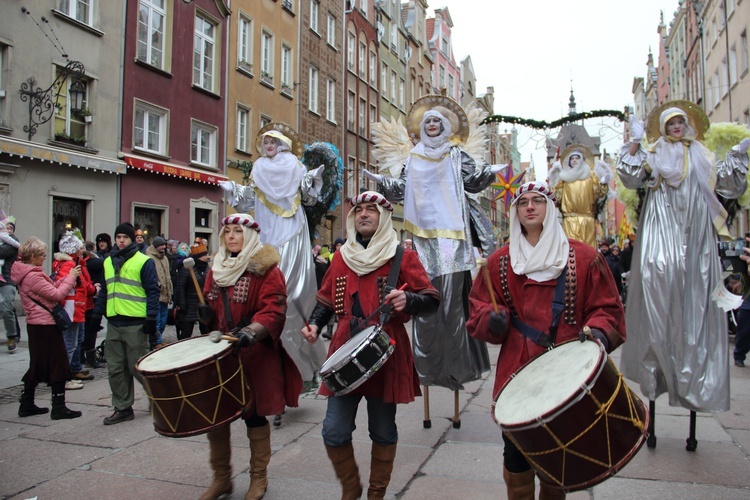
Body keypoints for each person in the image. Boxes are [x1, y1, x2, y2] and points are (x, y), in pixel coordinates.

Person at [466, 181, 626, 499]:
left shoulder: (584, 257)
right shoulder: (499, 262)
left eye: (537, 201)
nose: (529, 206)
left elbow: (607, 308)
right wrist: (491, 321)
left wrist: (597, 335)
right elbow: (478, 314)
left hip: (566, 372)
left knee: (558, 457)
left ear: (550, 209)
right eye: (522, 202)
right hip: (518, 371)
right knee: (516, 456)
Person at [618, 103, 749, 449]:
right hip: (660, 237)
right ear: (662, 127)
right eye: (671, 122)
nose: (677, 127)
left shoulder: (703, 155)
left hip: (696, 240)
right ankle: (653, 383)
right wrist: (633, 143)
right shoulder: (655, 154)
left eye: (681, 121)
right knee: (656, 305)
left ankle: (692, 385)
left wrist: (737, 156)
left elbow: (730, 188)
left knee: (694, 313)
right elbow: (630, 177)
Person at [365, 96, 502, 416]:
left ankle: (456, 370)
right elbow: (399, 189)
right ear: (421, 128)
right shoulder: (412, 158)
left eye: (437, 122)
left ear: (445, 127)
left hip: (452, 239)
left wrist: (488, 172)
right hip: (422, 239)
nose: (431, 124)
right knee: (424, 306)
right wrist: (380, 182)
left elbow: (474, 178)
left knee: (453, 307)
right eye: (427, 121)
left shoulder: (456, 154)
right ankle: (426, 370)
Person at [301, 192, 439, 499]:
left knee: (382, 430)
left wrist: (410, 300)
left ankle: (376, 494)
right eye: (359, 210)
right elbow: (325, 301)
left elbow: (431, 300)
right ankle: (351, 489)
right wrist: (314, 324)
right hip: (342, 351)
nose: (363, 214)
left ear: (383, 217)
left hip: (385, 351)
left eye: (371, 210)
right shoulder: (342, 257)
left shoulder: (401, 255)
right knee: (333, 432)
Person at [196, 213, 302, 500]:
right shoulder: (216, 268)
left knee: (253, 416)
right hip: (221, 356)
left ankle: (259, 479)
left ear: (250, 236)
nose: (231, 236)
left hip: (253, 354)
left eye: (237, 231)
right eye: (227, 231)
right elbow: (211, 304)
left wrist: (251, 332)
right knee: (216, 417)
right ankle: (222, 479)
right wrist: (205, 316)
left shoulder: (266, 270)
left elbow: (274, 310)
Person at [219, 125, 329, 391]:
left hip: (291, 231)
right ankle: (267, 360)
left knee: (292, 294)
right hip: (266, 233)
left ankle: (303, 365)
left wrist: (312, 179)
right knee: (266, 294)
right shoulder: (258, 169)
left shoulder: (294, 165)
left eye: (273, 141)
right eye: (265, 141)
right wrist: (233, 188)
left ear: (282, 145)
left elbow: (309, 197)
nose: (268, 144)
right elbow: (248, 200)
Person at [92, 222, 160, 425]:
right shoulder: (107, 261)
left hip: (135, 324)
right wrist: (97, 315)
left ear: (132, 239)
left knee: (137, 367)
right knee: (115, 368)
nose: (121, 240)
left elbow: (152, 292)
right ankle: (122, 407)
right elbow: (105, 290)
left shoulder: (143, 261)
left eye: (125, 237)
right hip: (114, 321)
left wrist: (151, 319)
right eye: (118, 237)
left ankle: (158, 396)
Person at [12, 237, 83, 419]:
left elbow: (49, 290)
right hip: (45, 325)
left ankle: (27, 403)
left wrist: (65, 279)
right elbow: (56, 294)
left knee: (37, 364)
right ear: (33, 256)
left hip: (36, 325)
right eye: (42, 255)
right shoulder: (33, 275)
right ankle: (59, 406)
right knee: (58, 364)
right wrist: (71, 278)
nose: (44, 258)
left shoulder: (27, 273)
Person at [53, 231, 98, 387]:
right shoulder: (70, 264)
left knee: (76, 340)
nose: (82, 249)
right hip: (72, 308)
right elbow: (67, 286)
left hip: (76, 306)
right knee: (70, 343)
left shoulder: (72, 262)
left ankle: (72, 370)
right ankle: (63, 377)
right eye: (80, 247)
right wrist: (93, 290)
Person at [548, 144, 611, 248]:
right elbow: (558, 197)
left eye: (577, 158)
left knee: (588, 249)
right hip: (570, 220)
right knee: (571, 249)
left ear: (582, 160)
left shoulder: (590, 175)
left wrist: (603, 184)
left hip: (587, 220)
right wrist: (551, 190)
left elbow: (598, 193)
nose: (574, 160)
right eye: (572, 158)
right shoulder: (564, 177)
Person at [174, 243, 210, 340]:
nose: (206, 257)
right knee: (186, 333)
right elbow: (181, 287)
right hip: (190, 305)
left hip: (203, 305)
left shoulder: (208, 269)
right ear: (198, 257)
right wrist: (182, 304)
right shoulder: (187, 269)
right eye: (204, 255)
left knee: (206, 333)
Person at [145, 235, 172, 349]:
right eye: (161, 245)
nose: (163, 247)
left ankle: (158, 339)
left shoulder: (165, 258)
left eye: (164, 245)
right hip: (156, 293)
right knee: (156, 319)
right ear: (156, 246)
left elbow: (167, 275)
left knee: (163, 320)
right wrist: (158, 285)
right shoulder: (149, 258)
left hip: (165, 294)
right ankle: (156, 341)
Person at [82, 241, 106, 369]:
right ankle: (89, 358)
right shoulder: (88, 262)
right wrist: (94, 288)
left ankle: (83, 358)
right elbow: (84, 284)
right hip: (87, 301)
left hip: (88, 301)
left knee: (86, 331)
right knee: (90, 330)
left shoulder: (84, 262)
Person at [0, 215, 20, 352]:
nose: (8, 229)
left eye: (10, 227)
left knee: (7, 308)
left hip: (7, 279)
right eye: (6, 227)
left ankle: (12, 336)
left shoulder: (13, 242)